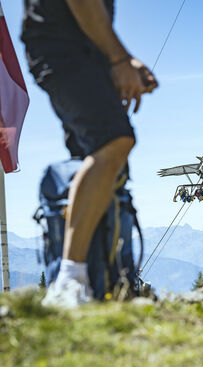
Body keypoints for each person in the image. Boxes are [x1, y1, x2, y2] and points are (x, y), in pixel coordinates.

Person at [22, 0, 158, 307]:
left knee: (95, 158)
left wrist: (123, 61)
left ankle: (101, 280)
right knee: (114, 140)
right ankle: (69, 281)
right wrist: (120, 59)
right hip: (61, 46)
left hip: (79, 48)